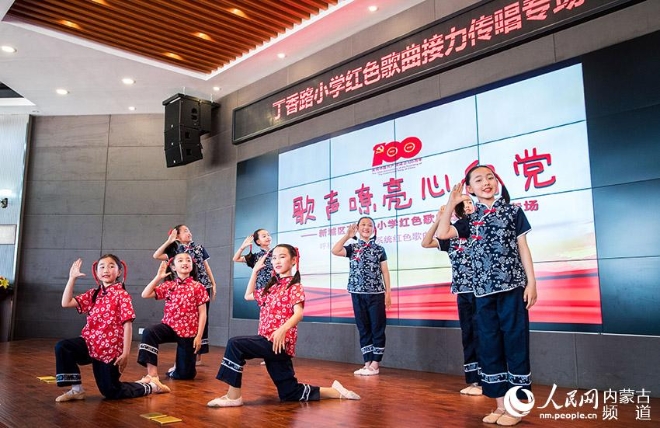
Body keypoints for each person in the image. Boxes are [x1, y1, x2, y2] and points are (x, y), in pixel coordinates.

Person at [437, 165, 537, 427]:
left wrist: (532, 283)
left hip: (513, 288)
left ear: (497, 182)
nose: (486, 183)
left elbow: (523, 248)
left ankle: (516, 407)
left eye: (490, 177)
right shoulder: (470, 219)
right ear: (469, 188)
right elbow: (442, 234)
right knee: (490, 347)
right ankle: (500, 405)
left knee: (515, 344)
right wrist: (451, 203)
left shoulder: (513, 211)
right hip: (482, 292)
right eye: (478, 180)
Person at [207, 244, 360, 407]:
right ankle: (335, 391)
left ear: (293, 260)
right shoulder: (271, 286)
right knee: (290, 393)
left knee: (235, 344)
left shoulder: (295, 286)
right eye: (274, 258)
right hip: (271, 343)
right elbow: (248, 295)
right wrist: (254, 271)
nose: (277, 261)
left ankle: (233, 396)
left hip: (278, 342)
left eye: (282, 256)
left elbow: (298, 313)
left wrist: (282, 329)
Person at [54, 255, 165, 402]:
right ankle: (76, 390)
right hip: (89, 344)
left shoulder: (122, 295)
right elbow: (66, 302)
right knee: (63, 347)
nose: (106, 270)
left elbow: (128, 325)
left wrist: (125, 353)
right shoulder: (93, 294)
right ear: (97, 272)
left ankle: (151, 386)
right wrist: (72, 278)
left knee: (111, 391)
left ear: (119, 272)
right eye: (102, 266)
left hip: (110, 350)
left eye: (111, 266)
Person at [421, 198, 482, 396]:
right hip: (463, 292)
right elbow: (425, 242)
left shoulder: (481, 228)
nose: (467, 207)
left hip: (484, 291)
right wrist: (439, 219)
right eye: (462, 205)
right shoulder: (451, 237)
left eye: (470, 203)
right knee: (469, 335)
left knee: (486, 334)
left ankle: (489, 379)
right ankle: (474, 382)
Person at [137, 252, 209, 387]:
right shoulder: (169, 285)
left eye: (188, 260)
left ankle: (176, 369)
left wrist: (199, 336)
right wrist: (158, 277)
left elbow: (203, 313)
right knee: (149, 332)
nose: (185, 263)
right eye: (180, 260)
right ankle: (152, 375)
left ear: (192, 266)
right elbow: (145, 294)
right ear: (174, 267)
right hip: (169, 327)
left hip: (189, 332)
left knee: (185, 376)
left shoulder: (198, 287)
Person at [331, 217, 391, 376]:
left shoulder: (379, 249)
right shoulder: (352, 247)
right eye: (363, 225)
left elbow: (385, 271)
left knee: (377, 328)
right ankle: (367, 363)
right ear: (358, 228)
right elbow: (335, 250)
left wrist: (388, 293)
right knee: (363, 328)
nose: (366, 227)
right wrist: (347, 236)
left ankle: (376, 364)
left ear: (374, 229)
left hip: (376, 294)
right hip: (357, 294)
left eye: (369, 225)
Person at [153, 225, 216, 365]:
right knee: (183, 320)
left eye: (189, 230)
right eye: (185, 231)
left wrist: (213, 283)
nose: (189, 232)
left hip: (202, 286)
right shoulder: (175, 250)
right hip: (182, 288)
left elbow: (206, 266)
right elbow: (156, 255)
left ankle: (198, 355)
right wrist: (169, 241)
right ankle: (184, 355)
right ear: (177, 235)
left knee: (202, 318)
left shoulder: (199, 248)